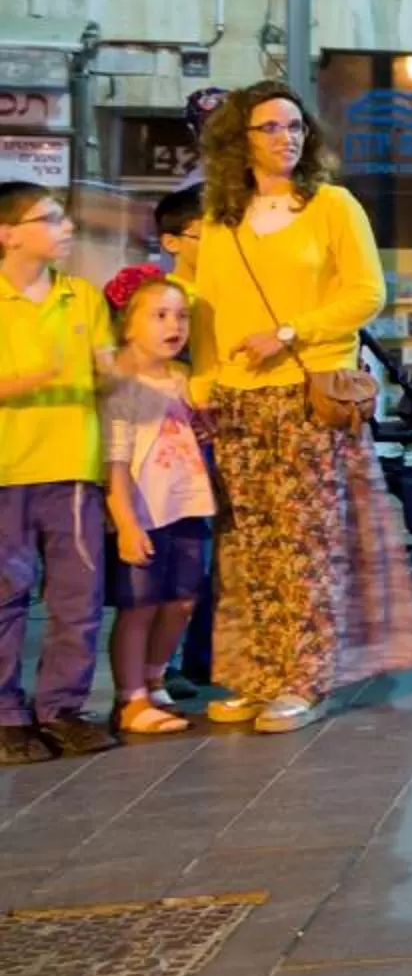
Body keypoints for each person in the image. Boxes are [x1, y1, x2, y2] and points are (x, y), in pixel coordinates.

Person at [186, 83, 412, 730]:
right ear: (240, 139)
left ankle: (303, 676)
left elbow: (366, 293)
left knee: (306, 544)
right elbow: (205, 310)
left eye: (294, 126)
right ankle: (253, 673)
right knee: (246, 544)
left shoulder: (330, 205)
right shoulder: (221, 216)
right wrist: (202, 386)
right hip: (237, 400)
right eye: (268, 127)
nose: (285, 137)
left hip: (308, 393)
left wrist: (290, 331)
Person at [0, 184, 114, 763]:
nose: (65, 228)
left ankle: (62, 708)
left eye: (64, 218)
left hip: (73, 467)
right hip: (8, 469)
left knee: (78, 596)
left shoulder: (83, 298)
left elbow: (105, 374)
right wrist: (39, 376)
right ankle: (5, 714)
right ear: (8, 233)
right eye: (48, 219)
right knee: (6, 595)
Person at [101, 273, 213, 738]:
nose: (176, 325)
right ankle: (129, 698)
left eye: (183, 316)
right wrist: (126, 523)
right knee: (139, 604)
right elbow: (116, 464)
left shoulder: (182, 378)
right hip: (143, 512)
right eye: (160, 315)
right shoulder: (120, 386)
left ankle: (154, 676)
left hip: (187, 504)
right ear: (128, 325)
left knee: (182, 600)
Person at [150, 184, 216, 702]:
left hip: (222, 435)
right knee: (175, 556)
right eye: (206, 230)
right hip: (175, 446)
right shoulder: (161, 301)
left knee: (211, 556)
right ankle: (160, 665)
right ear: (173, 241)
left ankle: (204, 657)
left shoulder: (226, 294)